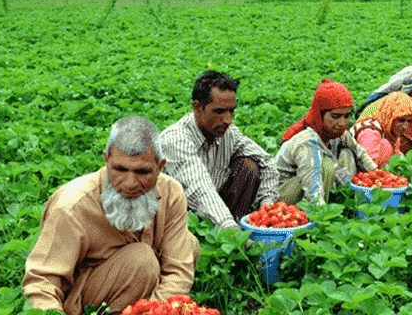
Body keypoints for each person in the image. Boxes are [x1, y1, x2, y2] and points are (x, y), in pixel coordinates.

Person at [23, 117, 199, 315]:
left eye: (143, 172)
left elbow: (178, 271)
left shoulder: (171, 193)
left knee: (188, 244)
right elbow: (42, 282)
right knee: (142, 261)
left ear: (160, 167)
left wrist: (154, 311)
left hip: (138, 286)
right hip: (83, 298)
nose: (130, 183)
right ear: (106, 159)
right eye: (120, 169)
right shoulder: (72, 205)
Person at [159, 71, 279, 231]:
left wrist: (267, 207)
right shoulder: (177, 139)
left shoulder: (228, 134)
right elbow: (200, 189)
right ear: (197, 107)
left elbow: (267, 162)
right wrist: (229, 228)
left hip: (216, 207)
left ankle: (236, 227)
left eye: (231, 111)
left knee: (249, 166)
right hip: (178, 217)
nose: (228, 120)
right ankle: (229, 232)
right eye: (219, 111)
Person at [277, 80, 378, 204]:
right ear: (320, 115)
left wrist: (380, 179)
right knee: (327, 165)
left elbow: (361, 154)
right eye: (335, 116)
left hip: (315, 184)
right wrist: (323, 217)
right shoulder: (307, 142)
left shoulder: (336, 133)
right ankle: (318, 210)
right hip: (285, 196)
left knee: (348, 153)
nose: (342, 123)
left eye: (346, 116)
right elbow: (312, 186)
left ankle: (345, 199)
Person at [351, 91, 412, 167]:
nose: (405, 126)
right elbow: (368, 165)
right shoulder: (370, 132)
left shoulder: (389, 131)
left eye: (409, 121)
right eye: (401, 120)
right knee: (386, 145)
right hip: (355, 170)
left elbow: (397, 154)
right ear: (389, 116)